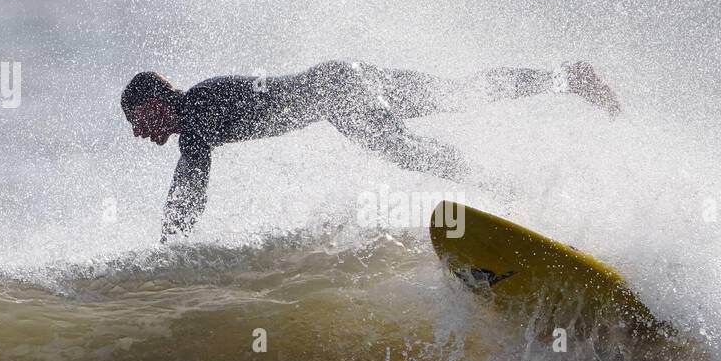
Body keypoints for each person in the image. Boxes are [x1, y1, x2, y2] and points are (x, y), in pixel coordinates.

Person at [121, 59, 621, 240]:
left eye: (137, 120)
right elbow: (189, 182)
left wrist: (167, 253)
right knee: (455, 93)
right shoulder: (201, 111)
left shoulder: (199, 111)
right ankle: (566, 77)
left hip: (338, 93)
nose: (139, 133)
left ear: (155, 101)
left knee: (408, 150)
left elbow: (190, 187)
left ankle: (506, 188)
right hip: (346, 76)